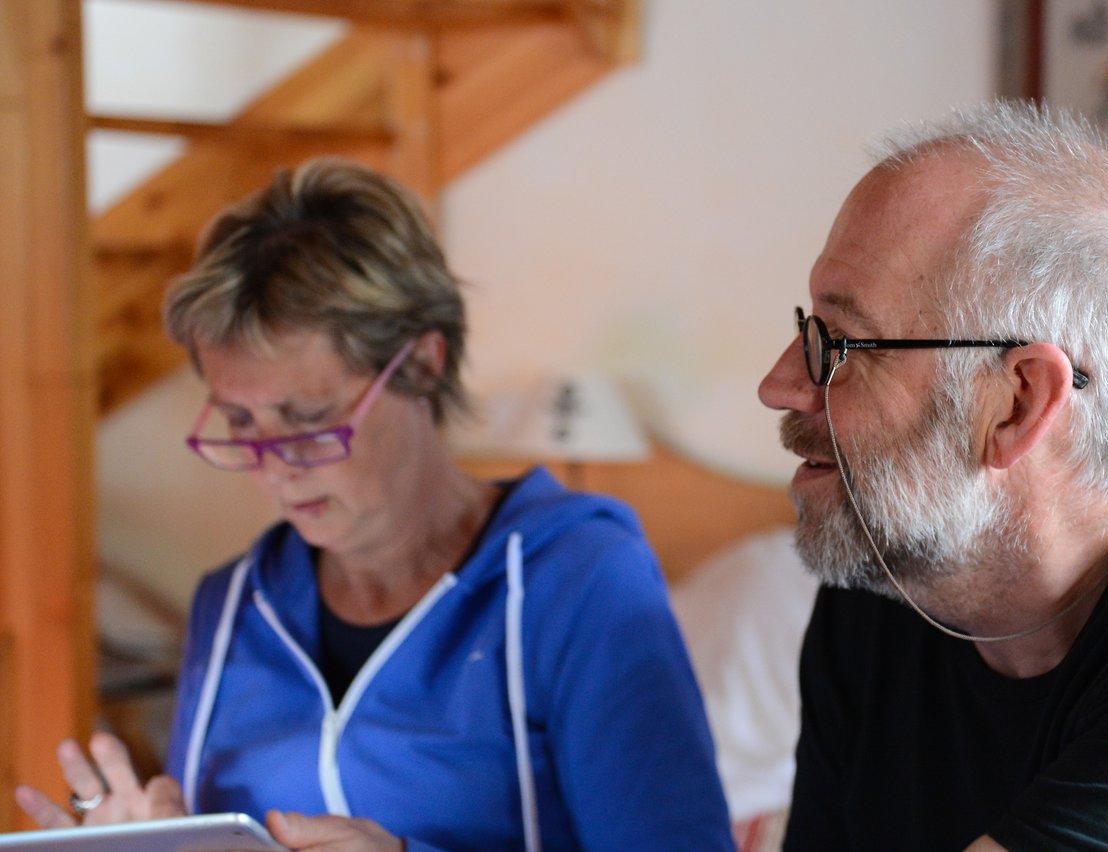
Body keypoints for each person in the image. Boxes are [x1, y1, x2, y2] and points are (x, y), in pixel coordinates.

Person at [16, 157, 734, 851]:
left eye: (308, 417)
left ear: (422, 364)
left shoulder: (577, 581)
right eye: (240, 422)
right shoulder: (231, 603)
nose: (274, 470)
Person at [758, 101, 1108, 851]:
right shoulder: (882, 595)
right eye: (810, 329)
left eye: (841, 342)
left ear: (1020, 402)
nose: (780, 385)